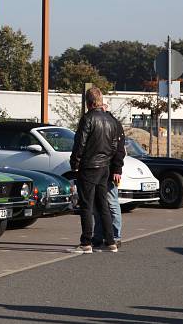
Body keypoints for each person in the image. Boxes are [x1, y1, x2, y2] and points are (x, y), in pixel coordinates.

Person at [70, 86, 118, 254]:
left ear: (88, 102)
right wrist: (108, 160)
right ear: (100, 101)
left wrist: (74, 163)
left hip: (89, 166)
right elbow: (114, 145)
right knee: (102, 204)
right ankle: (110, 241)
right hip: (104, 166)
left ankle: (86, 242)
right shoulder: (110, 120)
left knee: (86, 205)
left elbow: (80, 143)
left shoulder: (88, 119)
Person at [93, 103, 125, 248]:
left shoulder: (113, 124)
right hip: (104, 167)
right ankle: (101, 236)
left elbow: (119, 149)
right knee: (102, 204)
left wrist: (117, 169)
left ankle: (115, 236)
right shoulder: (111, 123)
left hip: (108, 169)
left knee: (111, 203)